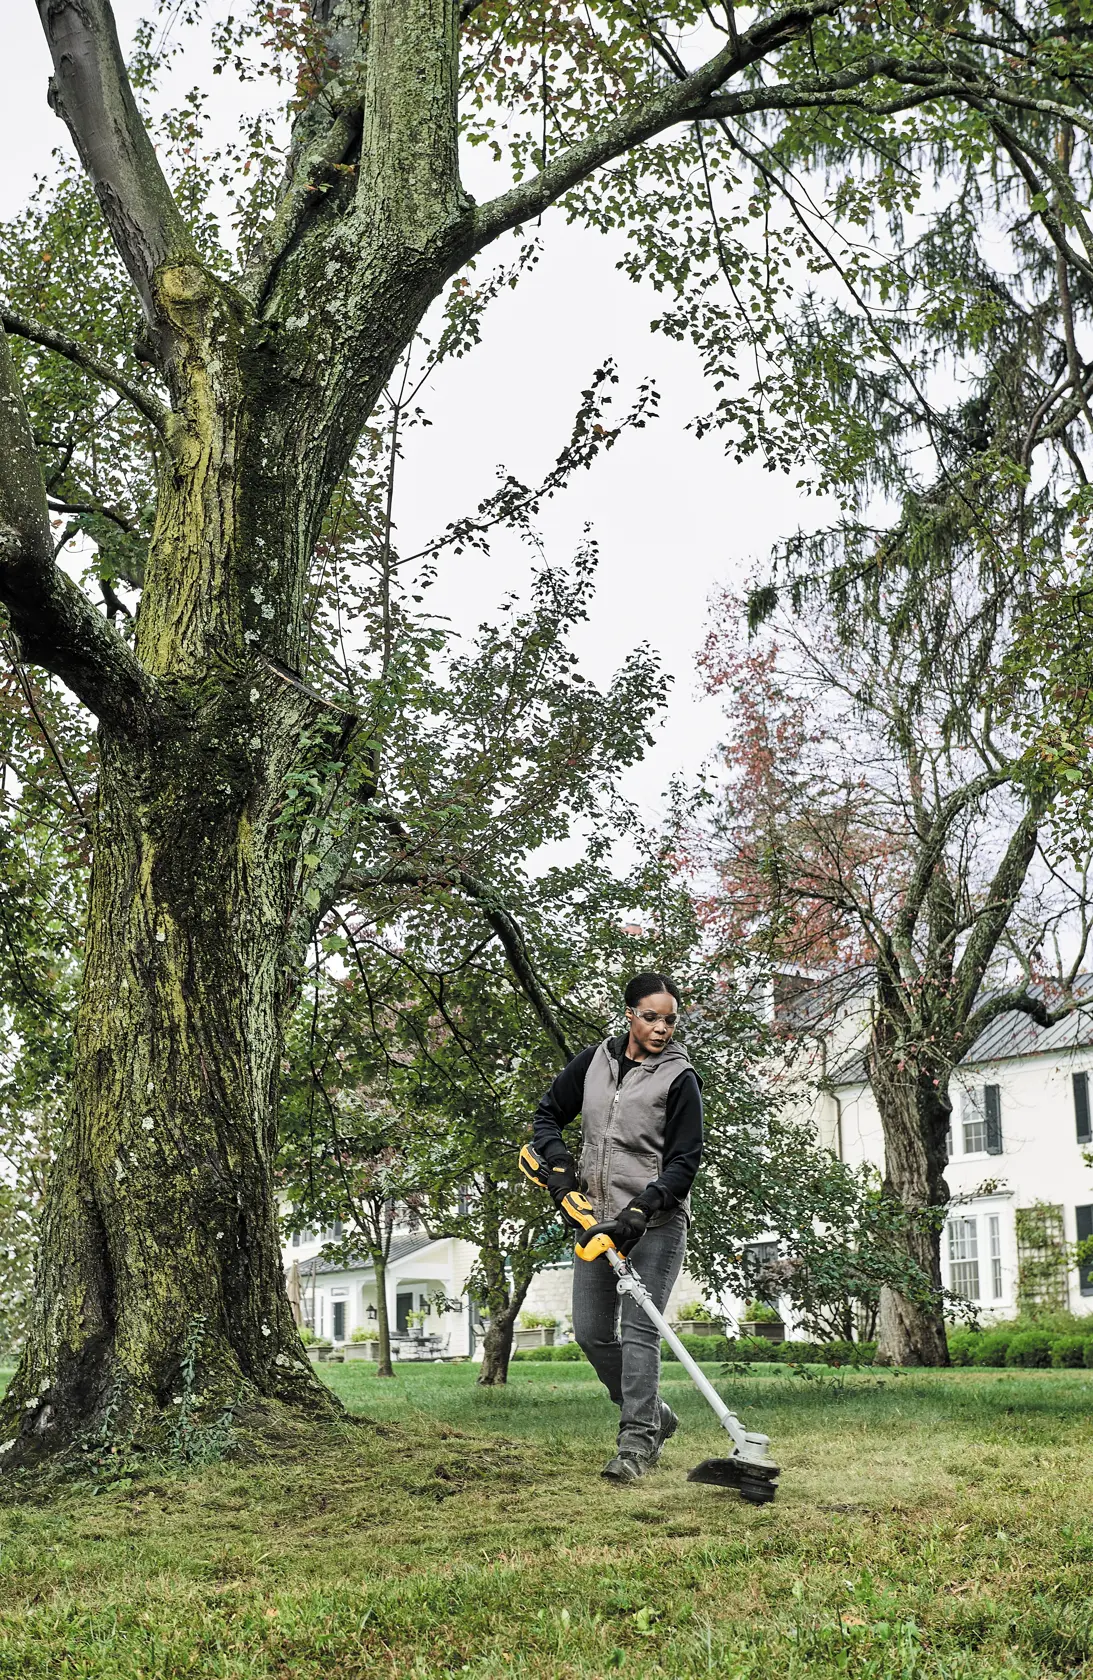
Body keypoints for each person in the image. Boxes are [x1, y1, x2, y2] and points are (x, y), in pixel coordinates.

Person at [530, 972, 703, 1482]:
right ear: (629, 1014)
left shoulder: (679, 1078)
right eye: (652, 1017)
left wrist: (642, 1210)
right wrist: (560, 1165)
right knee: (589, 1332)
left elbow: (684, 1161)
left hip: (655, 1223)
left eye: (670, 1019)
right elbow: (547, 1116)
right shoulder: (595, 1062)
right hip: (599, 1220)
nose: (662, 1028)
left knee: (639, 1329)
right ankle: (656, 1414)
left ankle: (636, 1444)